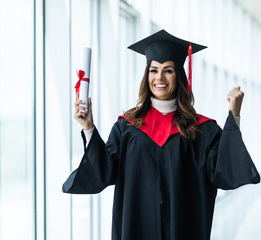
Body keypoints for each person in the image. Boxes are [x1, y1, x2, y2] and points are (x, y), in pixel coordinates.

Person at [62, 29, 260, 240]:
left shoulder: (202, 130)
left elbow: (224, 171)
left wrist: (234, 115)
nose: (159, 78)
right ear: (146, 75)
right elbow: (104, 171)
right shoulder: (126, 128)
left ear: (180, 76)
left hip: (184, 230)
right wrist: (89, 127)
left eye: (168, 71)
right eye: (153, 70)